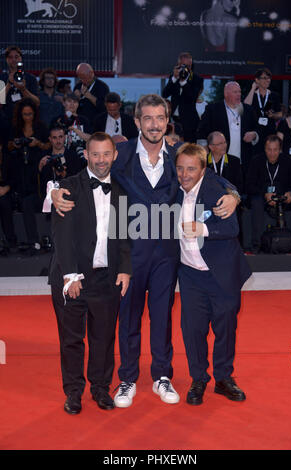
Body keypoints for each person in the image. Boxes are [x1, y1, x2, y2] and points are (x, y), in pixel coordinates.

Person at [49, 94, 239, 408]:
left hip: (167, 252)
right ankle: (127, 378)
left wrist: (233, 195)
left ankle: (161, 375)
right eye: (147, 118)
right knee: (128, 318)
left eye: (160, 118)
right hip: (128, 252)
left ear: (168, 121)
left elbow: (213, 178)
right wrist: (53, 191)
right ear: (137, 122)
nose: (154, 124)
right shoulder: (118, 153)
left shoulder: (180, 153)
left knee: (162, 317)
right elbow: (80, 175)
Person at [49, 132, 131, 415]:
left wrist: (125, 270)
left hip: (106, 278)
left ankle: (100, 388)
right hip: (72, 277)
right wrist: (70, 275)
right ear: (86, 155)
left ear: (115, 155)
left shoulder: (120, 191)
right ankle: (73, 393)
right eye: (95, 154)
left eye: (106, 154)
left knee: (104, 338)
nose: (100, 160)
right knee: (72, 339)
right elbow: (62, 235)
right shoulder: (68, 187)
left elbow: (123, 237)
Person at [175, 142, 251, 405]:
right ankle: (198, 379)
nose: (185, 175)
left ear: (203, 170)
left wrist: (203, 229)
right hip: (190, 275)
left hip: (222, 273)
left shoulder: (217, 189)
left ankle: (223, 378)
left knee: (225, 327)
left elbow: (231, 228)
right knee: (192, 329)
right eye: (181, 169)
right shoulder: (172, 189)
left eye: (191, 169)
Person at [7, 98, 50, 254]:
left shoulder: (41, 127)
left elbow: (49, 145)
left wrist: (37, 143)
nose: (27, 117)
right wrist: (17, 143)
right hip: (19, 167)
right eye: (24, 114)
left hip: (36, 169)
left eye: (30, 114)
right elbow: (9, 145)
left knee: (31, 199)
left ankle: (37, 240)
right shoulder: (15, 128)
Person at [246, 135, 291, 253]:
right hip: (262, 197)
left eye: (275, 150)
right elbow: (249, 185)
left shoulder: (287, 161)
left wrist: (290, 193)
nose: (272, 153)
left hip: (283, 198)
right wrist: (264, 194)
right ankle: (256, 245)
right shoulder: (256, 161)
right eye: (269, 149)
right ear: (264, 149)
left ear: (280, 150)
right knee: (256, 201)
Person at [198, 81, 259, 177]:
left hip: (243, 162)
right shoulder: (213, 109)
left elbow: (257, 129)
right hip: (219, 162)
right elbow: (201, 132)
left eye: (239, 92)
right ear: (226, 93)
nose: (238, 94)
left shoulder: (248, 110)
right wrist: (205, 154)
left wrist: (254, 135)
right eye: (235, 92)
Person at [162, 52, 203, 143]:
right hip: (174, 121)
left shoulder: (197, 79)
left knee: (189, 148)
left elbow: (192, 97)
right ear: (178, 65)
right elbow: (165, 94)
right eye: (184, 65)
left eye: (189, 66)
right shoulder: (173, 77)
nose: (186, 68)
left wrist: (183, 82)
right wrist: (174, 78)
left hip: (189, 122)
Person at [39, 124, 86, 199]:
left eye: (60, 137)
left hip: (69, 197)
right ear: (50, 139)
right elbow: (39, 183)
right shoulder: (44, 157)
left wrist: (64, 175)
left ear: (65, 137)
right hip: (48, 198)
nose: (58, 141)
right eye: (54, 138)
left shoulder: (73, 156)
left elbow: (78, 181)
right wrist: (40, 168)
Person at [244, 68, 282, 154]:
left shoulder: (274, 95)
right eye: (264, 78)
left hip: (270, 133)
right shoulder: (252, 95)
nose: (267, 80)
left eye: (269, 78)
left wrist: (273, 115)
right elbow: (246, 106)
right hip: (255, 133)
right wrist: (253, 88)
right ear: (257, 80)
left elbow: (280, 114)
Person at [0, 45, 40, 122]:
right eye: (10, 57)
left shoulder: (30, 78)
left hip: (26, 121)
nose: (14, 60)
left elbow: (36, 103)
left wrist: (23, 89)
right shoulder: (1, 78)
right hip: (5, 121)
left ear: (21, 58)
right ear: (6, 59)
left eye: (16, 57)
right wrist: (8, 84)